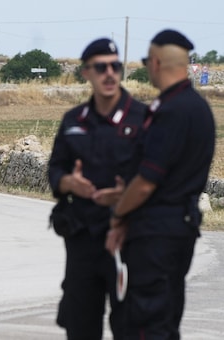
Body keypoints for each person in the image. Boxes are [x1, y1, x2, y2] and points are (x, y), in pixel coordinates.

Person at [105, 29, 216, 339]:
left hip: (157, 234)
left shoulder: (172, 111)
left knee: (147, 324)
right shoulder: (196, 107)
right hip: (174, 228)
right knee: (161, 321)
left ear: (155, 62)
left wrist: (118, 216)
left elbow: (146, 182)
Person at [47, 38, 148, 339]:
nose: (109, 73)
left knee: (131, 327)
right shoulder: (73, 121)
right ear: (86, 73)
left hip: (129, 242)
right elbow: (55, 169)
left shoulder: (143, 119)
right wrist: (68, 183)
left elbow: (158, 176)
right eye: (101, 67)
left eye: (115, 66)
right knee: (80, 327)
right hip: (83, 241)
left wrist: (126, 195)